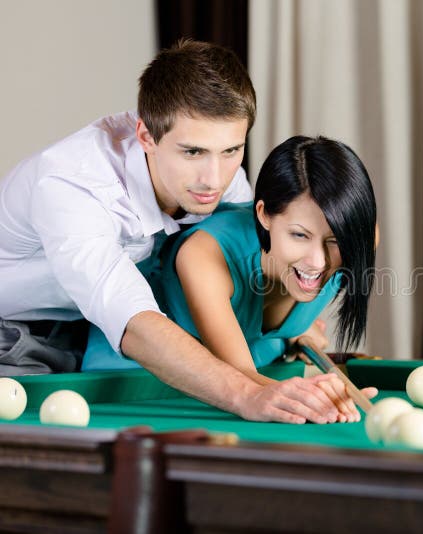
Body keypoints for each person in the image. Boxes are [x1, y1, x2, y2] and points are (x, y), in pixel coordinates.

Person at [0, 39, 370, 424]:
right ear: (146, 136)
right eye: (192, 152)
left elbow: (246, 254)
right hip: (14, 334)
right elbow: (133, 322)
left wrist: (295, 321)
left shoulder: (217, 176)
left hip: (89, 330)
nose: (214, 179)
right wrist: (249, 395)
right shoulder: (71, 186)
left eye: (231, 151)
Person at [83, 135, 380, 422]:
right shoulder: (205, 255)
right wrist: (315, 397)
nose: (318, 261)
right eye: (299, 235)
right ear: (264, 215)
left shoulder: (357, 243)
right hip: (138, 384)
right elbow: (240, 378)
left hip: (259, 371)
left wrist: (295, 332)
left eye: (334, 240)